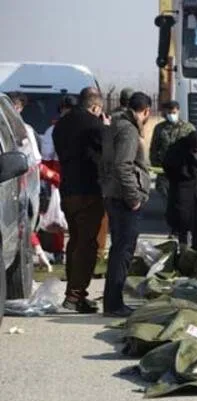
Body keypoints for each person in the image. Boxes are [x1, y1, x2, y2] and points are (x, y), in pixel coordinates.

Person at [52, 88, 111, 313]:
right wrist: (106, 128)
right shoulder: (95, 125)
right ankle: (74, 296)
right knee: (88, 245)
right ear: (95, 107)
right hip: (90, 190)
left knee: (75, 242)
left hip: (68, 190)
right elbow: (107, 153)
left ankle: (76, 294)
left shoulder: (61, 125)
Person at [100, 91, 152, 318]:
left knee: (119, 249)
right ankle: (114, 303)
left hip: (113, 194)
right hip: (123, 198)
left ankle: (112, 301)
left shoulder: (114, 124)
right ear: (146, 111)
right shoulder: (129, 131)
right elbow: (123, 166)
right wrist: (134, 198)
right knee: (123, 251)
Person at [163, 131, 197, 249]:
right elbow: (167, 166)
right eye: (195, 151)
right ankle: (183, 243)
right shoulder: (177, 147)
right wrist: (179, 177)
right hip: (181, 182)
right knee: (183, 215)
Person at [39, 95, 77, 262]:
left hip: (65, 176)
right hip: (64, 177)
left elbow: (46, 157)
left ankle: (61, 251)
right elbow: (46, 159)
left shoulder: (54, 130)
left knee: (63, 215)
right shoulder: (54, 130)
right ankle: (60, 251)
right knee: (60, 216)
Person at [149, 100, 195, 169]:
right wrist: (156, 164)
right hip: (164, 167)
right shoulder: (159, 128)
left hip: (182, 167)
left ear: (178, 111)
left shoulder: (188, 128)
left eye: (174, 113)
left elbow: (194, 147)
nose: (171, 115)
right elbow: (154, 148)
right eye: (169, 113)